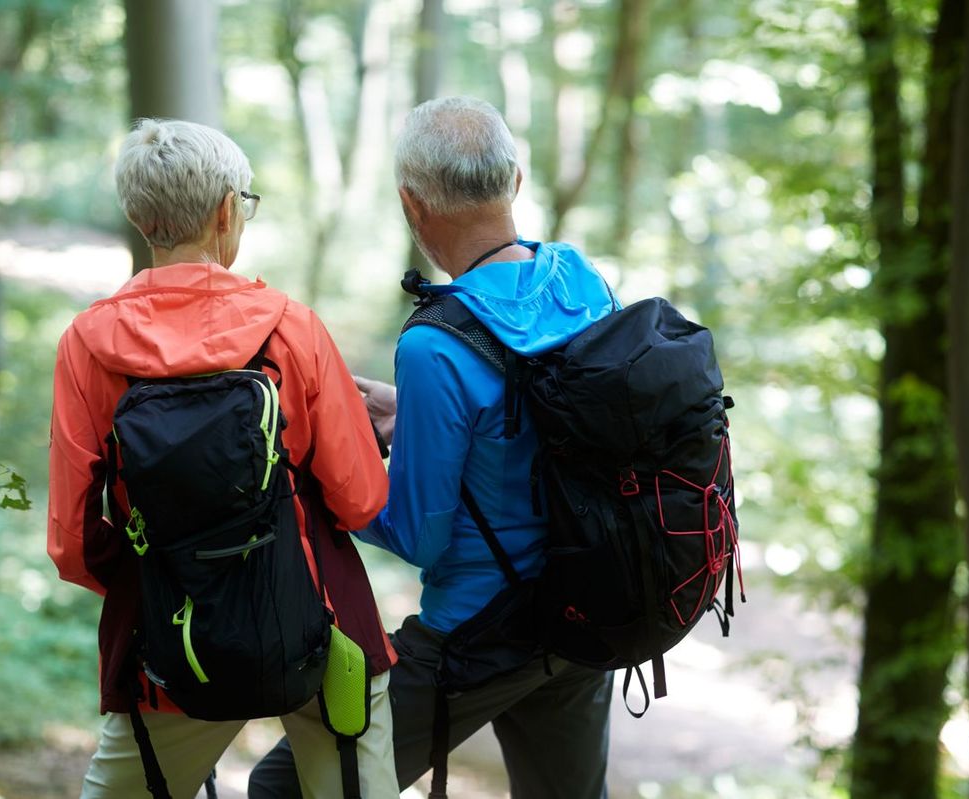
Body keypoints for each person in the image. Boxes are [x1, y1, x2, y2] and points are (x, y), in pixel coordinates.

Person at [250, 96, 618, 798]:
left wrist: (331, 471)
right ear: (514, 180)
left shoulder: (433, 345)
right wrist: (412, 417)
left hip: (481, 630)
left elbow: (420, 534)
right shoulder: (579, 279)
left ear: (411, 205)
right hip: (586, 608)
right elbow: (542, 420)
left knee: (281, 790)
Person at [47, 118, 398, 799]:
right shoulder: (290, 327)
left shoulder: (88, 342)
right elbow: (360, 499)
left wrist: (165, 575)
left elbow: (72, 541)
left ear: (139, 217)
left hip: (169, 638)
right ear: (225, 212)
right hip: (319, 621)